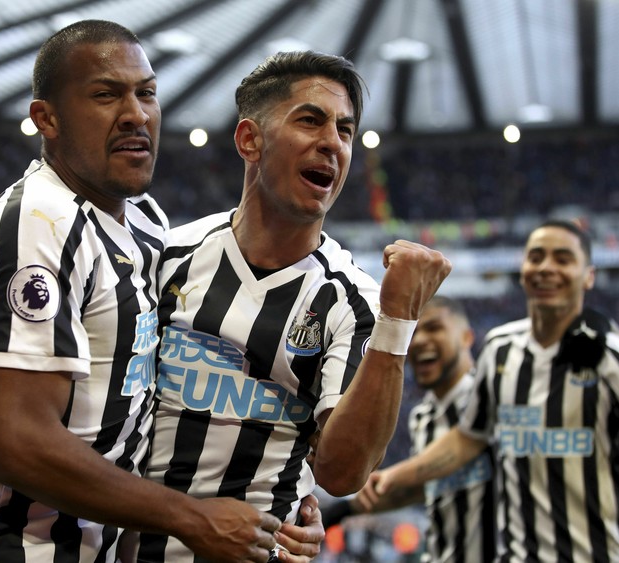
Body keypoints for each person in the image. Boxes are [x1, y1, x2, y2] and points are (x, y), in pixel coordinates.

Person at [0, 20, 321, 563]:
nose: (136, 114)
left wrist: (286, 502)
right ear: (47, 119)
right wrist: (192, 518)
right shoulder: (40, 222)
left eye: (146, 93)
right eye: (106, 95)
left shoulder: (147, 225)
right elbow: (19, 445)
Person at [132, 51, 452, 562]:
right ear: (249, 140)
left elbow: (343, 474)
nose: (333, 142)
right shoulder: (165, 256)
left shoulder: (354, 300)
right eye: (310, 120)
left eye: (345, 130)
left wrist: (398, 321)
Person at [369, 219, 619, 561]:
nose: (546, 267)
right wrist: (393, 477)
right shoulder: (500, 349)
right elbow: (468, 438)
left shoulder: (611, 359)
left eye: (562, 259)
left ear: (589, 275)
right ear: (523, 269)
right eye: (536, 256)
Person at [324, 296, 496, 562]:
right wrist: (342, 510)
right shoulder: (422, 417)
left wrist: (394, 475)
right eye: (413, 332)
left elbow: (464, 443)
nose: (419, 340)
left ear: (466, 338)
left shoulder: (490, 394)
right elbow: (424, 485)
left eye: (434, 328)